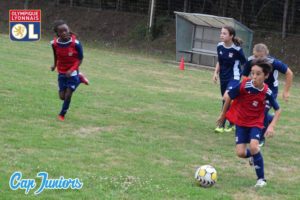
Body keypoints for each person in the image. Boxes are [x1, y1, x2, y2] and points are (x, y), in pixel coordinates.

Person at [217, 58, 281, 187]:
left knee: (253, 146)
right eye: (252, 73)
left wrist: (271, 126)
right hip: (241, 122)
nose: (254, 76)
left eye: (258, 74)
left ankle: (261, 179)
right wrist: (223, 114)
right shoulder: (244, 85)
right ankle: (254, 155)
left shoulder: (266, 91)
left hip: (256, 123)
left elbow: (278, 109)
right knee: (240, 153)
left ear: (266, 76)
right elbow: (229, 96)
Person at [242, 43, 293, 146]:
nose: (258, 59)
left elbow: (289, 73)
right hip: (256, 89)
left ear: (266, 55)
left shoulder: (273, 62)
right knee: (254, 110)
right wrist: (246, 88)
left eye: (261, 57)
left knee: (263, 111)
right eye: (256, 56)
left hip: (271, 90)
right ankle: (270, 119)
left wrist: (286, 91)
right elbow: (244, 75)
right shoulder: (250, 60)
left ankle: (260, 138)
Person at [50, 20, 89, 121]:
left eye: (66, 30)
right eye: (61, 31)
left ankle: (62, 114)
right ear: (57, 33)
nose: (64, 32)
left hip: (73, 72)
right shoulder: (54, 44)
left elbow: (80, 59)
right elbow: (55, 55)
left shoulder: (76, 43)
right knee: (62, 97)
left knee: (68, 95)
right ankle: (80, 79)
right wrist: (54, 65)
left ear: (68, 30)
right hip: (61, 72)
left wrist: (72, 70)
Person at [213, 26, 246, 133]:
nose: (221, 35)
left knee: (226, 97)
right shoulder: (219, 46)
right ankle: (233, 122)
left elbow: (245, 64)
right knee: (228, 100)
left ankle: (221, 124)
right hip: (223, 77)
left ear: (231, 36)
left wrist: (246, 78)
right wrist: (215, 73)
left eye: (224, 33)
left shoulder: (237, 50)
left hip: (234, 77)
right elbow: (219, 61)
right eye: (221, 33)